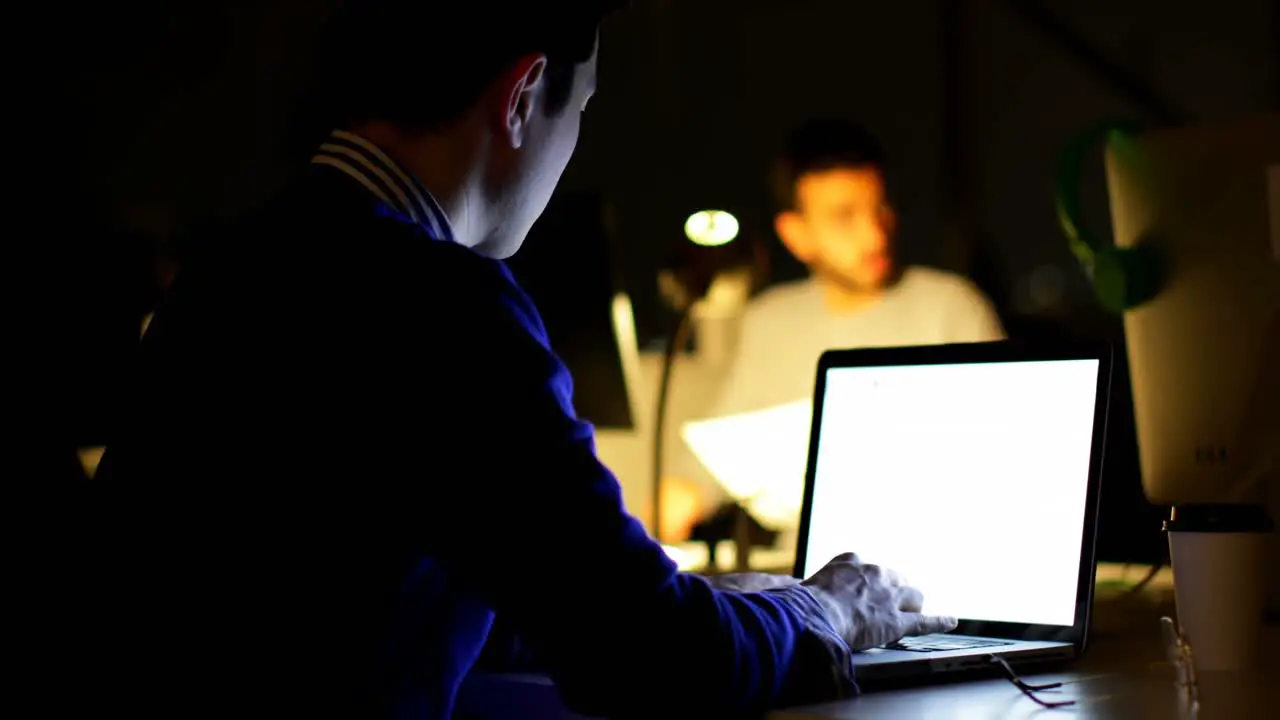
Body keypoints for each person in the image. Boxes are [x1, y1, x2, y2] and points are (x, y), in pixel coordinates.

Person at [91, 4, 955, 718]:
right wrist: (827, 607)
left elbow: (346, 598)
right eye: (578, 111)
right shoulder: (442, 305)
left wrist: (708, 602)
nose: (572, 143)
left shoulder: (228, 267)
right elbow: (650, 665)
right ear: (523, 96)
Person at [665, 119, 1006, 540]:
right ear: (796, 234)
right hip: (808, 574)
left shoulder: (951, 307)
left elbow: (1005, 459)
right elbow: (709, 468)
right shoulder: (770, 320)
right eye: (845, 217)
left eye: (880, 208)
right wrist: (665, 507)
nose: (874, 233)